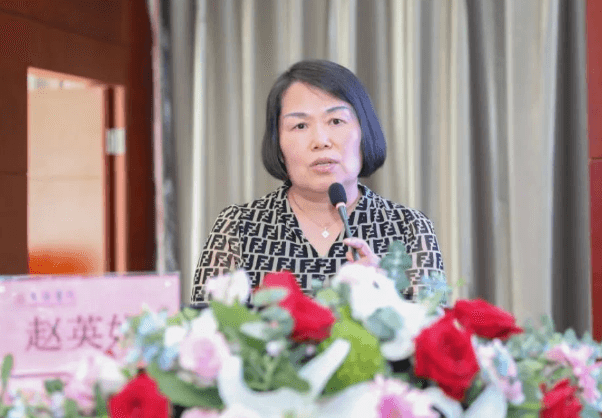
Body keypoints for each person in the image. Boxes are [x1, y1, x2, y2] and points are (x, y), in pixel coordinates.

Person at [190, 59, 445, 303]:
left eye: (336, 121)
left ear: (364, 132)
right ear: (278, 144)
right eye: (300, 126)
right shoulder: (238, 226)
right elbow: (205, 325)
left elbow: (434, 327)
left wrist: (388, 295)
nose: (321, 140)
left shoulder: (408, 228)